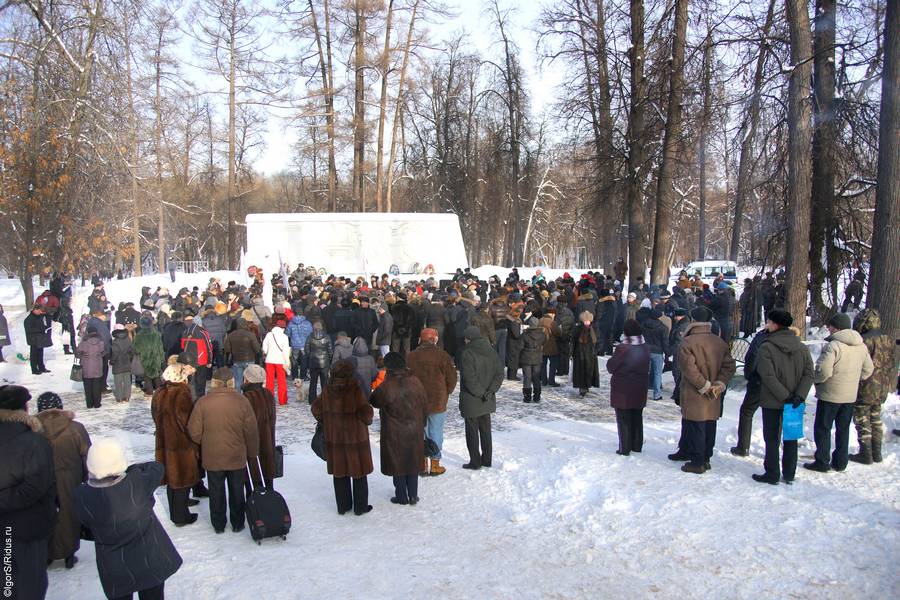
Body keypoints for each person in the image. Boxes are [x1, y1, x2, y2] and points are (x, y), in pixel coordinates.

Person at [75, 439, 183, 600]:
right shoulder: (137, 482)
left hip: (114, 565)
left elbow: (83, 530)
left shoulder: (81, 494)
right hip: (149, 559)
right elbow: (157, 467)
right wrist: (130, 469)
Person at [188, 368, 260, 533]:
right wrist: (252, 452)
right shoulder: (242, 401)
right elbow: (251, 430)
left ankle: (218, 524)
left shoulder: (203, 402)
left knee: (216, 491)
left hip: (213, 456)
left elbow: (194, 431)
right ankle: (238, 523)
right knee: (237, 490)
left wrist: (204, 443)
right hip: (236, 455)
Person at [0, 385, 56, 600]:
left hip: (9, 529)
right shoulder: (35, 443)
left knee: (6, 584)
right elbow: (35, 488)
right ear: (23, 409)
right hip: (28, 529)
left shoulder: (34, 442)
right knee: (29, 585)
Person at [804, 313, 874, 473]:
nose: (828, 328)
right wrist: (854, 380)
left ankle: (822, 461)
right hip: (849, 396)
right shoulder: (861, 346)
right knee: (843, 429)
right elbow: (868, 369)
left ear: (836, 328)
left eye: (830, 326)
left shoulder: (833, 346)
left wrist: (817, 380)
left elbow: (824, 371)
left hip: (830, 394)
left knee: (823, 428)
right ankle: (841, 461)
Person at [751, 310, 814, 484]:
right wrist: (799, 396)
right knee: (791, 437)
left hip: (773, 401)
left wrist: (785, 396)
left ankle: (772, 473)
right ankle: (789, 473)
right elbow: (809, 374)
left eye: (769, 322)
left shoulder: (767, 347)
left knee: (771, 438)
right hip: (794, 402)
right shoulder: (801, 346)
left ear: (775, 324)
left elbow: (767, 375)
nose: (767, 325)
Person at [672, 309, 737, 474]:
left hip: (695, 392)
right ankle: (704, 457)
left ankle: (697, 461)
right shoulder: (719, 341)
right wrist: (718, 384)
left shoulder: (687, 342)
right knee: (708, 424)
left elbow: (689, 370)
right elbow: (729, 366)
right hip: (713, 393)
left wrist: (705, 386)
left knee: (696, 425)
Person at [35, 392, 91, 569]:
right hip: (70, 478)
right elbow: (86, 454)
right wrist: (85, 476)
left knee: (45, 514)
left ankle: (47, 553)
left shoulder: (33, 431)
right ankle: (68, 553)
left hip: (42, 480)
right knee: (69, 514)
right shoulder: (75, 428)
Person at [311, 360, 374, 515]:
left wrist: (326, 420)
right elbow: (366, 414)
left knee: (340, 473)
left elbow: (315, 409)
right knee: (358, 473)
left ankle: (343, 506)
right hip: (355, 438)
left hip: (335, 438)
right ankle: (360, 507)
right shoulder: (354, 389)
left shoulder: (328, 389)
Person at [370, 353, 428, 505]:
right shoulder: (415, 381)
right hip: (415, 428)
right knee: (413, 460)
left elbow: (374, 400)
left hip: (394, 431)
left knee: (398, 461)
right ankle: (413, 495)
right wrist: (423, 423)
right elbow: (424, 404)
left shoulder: (388, 385)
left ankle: (401, 496)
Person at [152, 362, 201, 526]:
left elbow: (155, 416)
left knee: (171, 477)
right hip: (180, 443)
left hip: (164, 441)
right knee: (182, 477)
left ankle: (175, 512)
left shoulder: (159, 393)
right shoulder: (181, 393)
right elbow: (187, 421)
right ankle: (181, 516)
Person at [406, 328, 457, 476]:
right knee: (436, 432)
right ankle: (435, 464)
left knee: (419, 433)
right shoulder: (443, 356)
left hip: (416, 401)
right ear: (434, 339)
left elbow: (405, 377)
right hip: (437, 401)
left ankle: (422, 464)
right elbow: (452, 379)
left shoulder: (411, 356)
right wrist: (446, 392)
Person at [850, 309, 898, 464]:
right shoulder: (888, 339)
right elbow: (891, 363)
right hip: (882, 385)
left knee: (862, 417)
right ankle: (877, 452)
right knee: (875, 417)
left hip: (865, 385)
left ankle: (865, 453)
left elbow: (859, 364)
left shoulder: (864, 341)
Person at [458, 326, 504, 470]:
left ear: (468, 339)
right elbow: (499, 374)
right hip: (487, 398)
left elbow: (469, 379)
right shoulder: (491, 350)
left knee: (472, 432)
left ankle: (475, 462)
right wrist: (490, 392)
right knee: (485, 431)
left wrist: (482, 393)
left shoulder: (467, 353)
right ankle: (487, 460)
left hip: (472, 399)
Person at [607, 320, 651, 456]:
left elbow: (611, 366)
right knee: (637, 416)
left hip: (623, 387)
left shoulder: (623, 348)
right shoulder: (645, 347)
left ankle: (624, 447)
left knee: (624, 417)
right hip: (640, 385)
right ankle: (637, 445)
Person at [729, 326, 769, 457]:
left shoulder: (761, 337)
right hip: (779, 384)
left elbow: (752, 357)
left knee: (747, 412)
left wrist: (750, 376)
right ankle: (772, 451)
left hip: (758, 381)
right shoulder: (789, 339)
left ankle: (743, 447)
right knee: (774, 417)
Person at [241, 364, 277, 490]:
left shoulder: (246, 397)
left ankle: (254, 500)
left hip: (251, 444)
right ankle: (268, 493)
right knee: (267, 469)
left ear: (248, 379)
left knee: (253, 472)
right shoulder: (268, 394)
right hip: (268, 440)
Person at [638, 308, 669, 402]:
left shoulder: (643, 324)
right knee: (657, 374)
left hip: (645, 350)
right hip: (657, 352)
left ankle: (641, 393)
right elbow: (665, 342)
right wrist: (668, 352)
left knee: (644, 373)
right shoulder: (663, 328)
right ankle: (657, 394)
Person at [181, 312, 213, 398]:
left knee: (189, 380)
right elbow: (209, 347)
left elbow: (182, 346)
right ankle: (200, 398)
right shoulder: (203, 332)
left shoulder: (185, 332)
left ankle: (188, 397)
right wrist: (209, 360)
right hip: (201, 360)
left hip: (188, 359)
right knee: (200, 381)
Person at [76, 325, 108, 409]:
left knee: (87, 386)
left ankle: (89, 404)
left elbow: (78, 353)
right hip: (97, 365)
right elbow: (104, 352)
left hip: (86, 366)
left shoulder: (84, 343)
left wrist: (83, 356)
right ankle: (97, 403)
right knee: (97, 385)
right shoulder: (101, 342)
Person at [223, 319, 261, 390]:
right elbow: (257, 349)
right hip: (249, 360)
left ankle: (239, 398)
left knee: (238, 381)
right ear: (245, 325)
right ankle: (248, 396)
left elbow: (227, 349)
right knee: (249, 380)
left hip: (236, 360)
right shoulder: (250, 335)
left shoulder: (231, 335)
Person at [262, 315, 291, 405]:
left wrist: (267, 352)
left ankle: (269, 400)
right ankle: (282, 400)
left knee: (269, 381)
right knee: (281, 381)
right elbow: (286, 352)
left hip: (269, 360)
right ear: (283, 328)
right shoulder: (284, 337)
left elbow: (264, 348)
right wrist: (287, 362)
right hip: (280, 361)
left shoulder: (269, 334)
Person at [133, 316, 166, 397]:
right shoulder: (156, 334)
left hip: (145, 357)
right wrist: (162, 358)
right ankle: (159, 391)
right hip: (156, 357)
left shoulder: (139, 335)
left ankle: (149, 391)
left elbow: (135, 348)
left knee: (147, 375)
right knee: (157, 375)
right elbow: (160, 347)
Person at [572, 311, 599, 397]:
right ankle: (582, 389)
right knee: (581, 372)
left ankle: (586, 386)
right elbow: (573, 341)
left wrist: (596, 350)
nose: (587, 322)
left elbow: (598, 340)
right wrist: (572, 352)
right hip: (580, 354)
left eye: (588, 321)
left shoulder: (593, 329)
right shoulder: (578, 329)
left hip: (590, 354)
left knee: (589, 371)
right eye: (585, 321)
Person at [305, 321, 333, 404]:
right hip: (324, 362)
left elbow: (306, 349)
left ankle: (311, 399)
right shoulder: (327, 336)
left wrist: (310, 356)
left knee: (313, 382)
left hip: (313, 362)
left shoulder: (310, 337)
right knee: (324, 382)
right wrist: (329, 360)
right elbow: (330, 350)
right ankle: (326, 399)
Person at [519, 316, 546, 403]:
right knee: (536, 377)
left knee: (527, 377)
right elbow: (544, 342)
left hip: (526, 357)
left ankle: (527, 397)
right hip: (537, 356)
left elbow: (520, 346)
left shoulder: (525, 334)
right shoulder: (542, 334)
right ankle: (537, 396)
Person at [24, 304, 53, 375]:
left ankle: (41, 367)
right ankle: (34, 370)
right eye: (39, 310)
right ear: (35, 310)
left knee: (40, 354)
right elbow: (29, 330)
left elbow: (42, 324)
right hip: (33, 340)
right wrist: (40, 329)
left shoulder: (39, 317)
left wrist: (45, 327)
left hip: (40, 339)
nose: (40, 312)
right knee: (33, 355)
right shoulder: (29, 319)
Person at [110, 325, 136, 403]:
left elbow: (115, 353)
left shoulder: (115, 341)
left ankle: (119, 398)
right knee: (127, 381)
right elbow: (132, 351)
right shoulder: (128, 339)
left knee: (118, 382)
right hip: (127, 362)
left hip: (118, 363)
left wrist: (112, 361)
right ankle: (127, 397)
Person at [286, 311, 313, 380]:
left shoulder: (291, 323)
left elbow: (287, 334)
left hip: (294, 344)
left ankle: (294, 376)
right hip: (304, 344)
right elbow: (311, 333)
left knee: (294, 360)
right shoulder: (307, 323)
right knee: (304, 360)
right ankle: (303, 376)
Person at [539, 308, 562, 387]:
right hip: (551, 346)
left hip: (541, 345)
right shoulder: (552, 322)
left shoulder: (540, 320)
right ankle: (551, 381)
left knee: (543, 364)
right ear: (551, 314)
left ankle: (544, 380)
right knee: (553, 363)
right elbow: (558, 333)